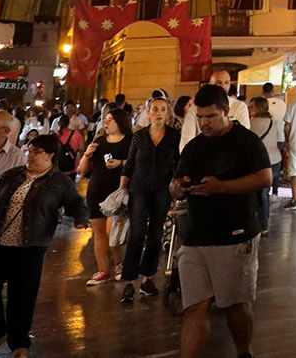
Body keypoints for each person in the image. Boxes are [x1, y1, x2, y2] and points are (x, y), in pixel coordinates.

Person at [171, 84, 273, 358]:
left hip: (235, 233)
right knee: (195, 307)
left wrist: (222, 187)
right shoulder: (193, 147)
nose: (203, 122)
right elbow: (176, 180)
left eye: (210, 116)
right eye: (199, 117)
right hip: (197, 235)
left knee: (235, 304)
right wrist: (177, 188)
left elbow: (265, 177)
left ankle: (244, 352)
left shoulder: (246, 141)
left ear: (226, 112)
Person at [0, 133, 91, 358]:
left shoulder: (58, 182)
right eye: (28, 150)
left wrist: (80, 218)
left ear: (50, 155)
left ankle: (19, 344)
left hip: (31, 245)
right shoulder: (12, 175)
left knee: (22, 296)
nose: (29, 155)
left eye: (36, 152)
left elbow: (76, 203)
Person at [119, 96, 178, 306]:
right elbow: (129, 164)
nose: (159, 112)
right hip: (139, 190)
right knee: (136, 235)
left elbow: (177, 166)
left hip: (163, 190)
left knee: (155, 234)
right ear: (148, 112)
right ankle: (129, 282)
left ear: (168, 113)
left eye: (163, 109)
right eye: (155, 109)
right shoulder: (139, 137)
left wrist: (176, 193)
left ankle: (147, 279)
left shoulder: (174, 137)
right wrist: (122, 190)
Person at [78, 105, 134, 284]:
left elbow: (137, 164)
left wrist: (120, 163)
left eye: (111, 120)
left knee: (112, 232)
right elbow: (82, 170)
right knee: (99, 232)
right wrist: (87, 155)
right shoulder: (99, 141)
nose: (106, 123)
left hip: (117, 193)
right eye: (105, 120)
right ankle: (103, 270)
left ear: (121, 122)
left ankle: (119, 263)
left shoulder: (131, 141)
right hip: (97, 190)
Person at [249, 96, 285, 206]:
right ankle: (266, 216)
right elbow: (280, 139)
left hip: (261, 162)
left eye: (251, 107)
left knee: (260, 195)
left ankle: (262, 219)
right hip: (275, 159)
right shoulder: (273, 122)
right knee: (265, 193)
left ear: (258, 108)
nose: (249, 109)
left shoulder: (250, 123)